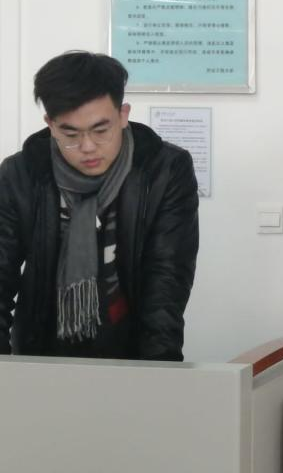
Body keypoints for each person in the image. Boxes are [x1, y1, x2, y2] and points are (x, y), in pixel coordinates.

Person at [0, 51, 199, 360]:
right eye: (70, 133)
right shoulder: (21, 174)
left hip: (133, 352)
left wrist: (158, 372)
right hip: (41, 351)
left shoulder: (164, 171)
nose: (88, 147)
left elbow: (167, 279)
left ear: (123, 115)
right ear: (50, 124)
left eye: (101, 130)